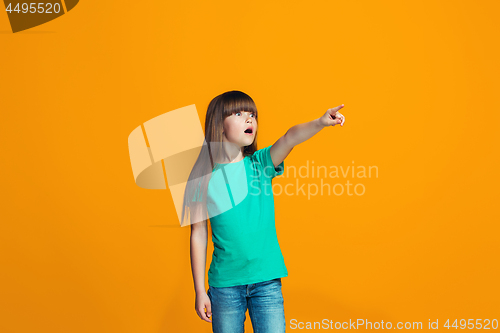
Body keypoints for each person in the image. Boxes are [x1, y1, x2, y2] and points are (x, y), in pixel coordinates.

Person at [181, 90, 345, 333]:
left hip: (266, 283)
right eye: (239, 114)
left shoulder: (260, 165)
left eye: (252, 115)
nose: (249, 120)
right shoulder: (201, 179)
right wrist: (199, 290)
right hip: (224, 286)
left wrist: (320, 122)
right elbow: (198, 234)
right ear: (219, 124)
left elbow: (289, 138)